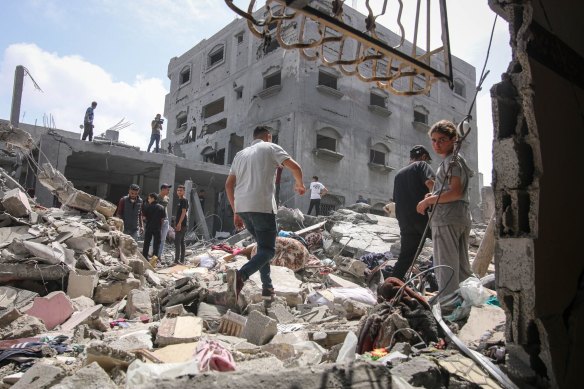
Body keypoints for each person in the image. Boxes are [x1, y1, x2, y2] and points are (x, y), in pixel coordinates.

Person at [225, 126, 305, 306]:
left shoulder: (240, 155)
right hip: (262, 206)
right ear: (268, 136)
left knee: (262, 247)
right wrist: (300, 185)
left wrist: (236, 211)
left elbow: (228, 185)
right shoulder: (271, 147)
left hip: (243, 208)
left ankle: (267, 288)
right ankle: (241, 275)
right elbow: (296, 168)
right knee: (268, 251)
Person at [416, 120, 474, 297]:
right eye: (433, 140)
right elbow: (449, 191)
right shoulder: (455, 160)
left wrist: (428, 201)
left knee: (445, 265)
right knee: (462, 267)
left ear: (453, 139)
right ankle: (468, 300)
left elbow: (455, 192)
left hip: (447, 219)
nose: (436, 144)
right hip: (459, 217)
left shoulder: (452, 161)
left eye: (442, 140)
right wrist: (432, 197)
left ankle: (448, 305)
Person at [391, 145, 435, 281]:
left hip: (406, 222)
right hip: (424, 217)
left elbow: (395, 199)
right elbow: (431, 183)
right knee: (446, 248)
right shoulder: (422, 165)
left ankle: (390, 286)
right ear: (423, 157)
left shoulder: (398, 174)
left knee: (405, 259)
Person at [142, 193, 166, 261]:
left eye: (149, 198)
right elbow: (162, 219)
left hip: (149, 227)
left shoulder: (148, 207)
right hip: (157, 228)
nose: (148, 200)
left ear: (153, 198)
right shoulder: (161, 207)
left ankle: (144, 257)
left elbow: (144, 218)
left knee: (146, 243)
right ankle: (154, 260)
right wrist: (160, 228)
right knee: (156, 244)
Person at [174, 185, 189, 264]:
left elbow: (184, 212)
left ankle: (177, 260)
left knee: (177, 241)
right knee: (182, 242)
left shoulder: (184, 200)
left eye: (181, 190)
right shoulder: (180, 200)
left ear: (184, 191)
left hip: (182, 224)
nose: (179, 192)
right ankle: (182, 260)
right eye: (178, 190)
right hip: (180, 223)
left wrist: (179, 224)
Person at [157, 183, 172, 257]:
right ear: (162, 189)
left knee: (163, 239)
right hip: (158, 220)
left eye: (169, 189)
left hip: (166, 219)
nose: (168, 191)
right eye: (167, 189)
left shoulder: (167, 198)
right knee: (156, 238)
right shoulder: (157, 197)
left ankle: (159, 256)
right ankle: (154, 254)